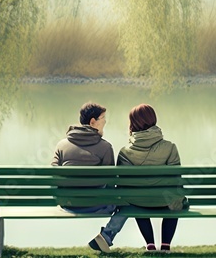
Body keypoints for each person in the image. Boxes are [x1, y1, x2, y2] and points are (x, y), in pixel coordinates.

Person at [51, 101, 128, 252]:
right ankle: (107, 235)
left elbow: (53, 177)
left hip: (68, 204)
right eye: (103, 118)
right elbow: (111, 183)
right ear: (93, 122)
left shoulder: (61, 145)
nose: (105, 121)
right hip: (96, 206)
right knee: (128, 203)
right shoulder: (105, 147)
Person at [117, 103, 185, 253]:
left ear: (132, 123)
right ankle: (165, 245)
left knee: (136, 196)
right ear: (153, 120)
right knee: (175, 197)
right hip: (165, 201)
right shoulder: (170, 147)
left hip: (138, 201)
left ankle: (150, 245)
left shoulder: (124, 152)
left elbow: (123, 184)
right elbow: (176, 179)